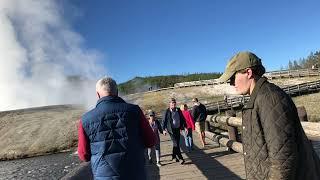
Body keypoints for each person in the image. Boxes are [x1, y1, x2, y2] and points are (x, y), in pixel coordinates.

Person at [218, 51, 320, 179]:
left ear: (248, 73)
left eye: (232, 78)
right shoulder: (258, 99)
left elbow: (282, 157)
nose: (231, 83)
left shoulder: (270, 98)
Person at [77, 77, 156, 180]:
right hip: (135, 174)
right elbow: (151, 141)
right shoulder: (135, 111)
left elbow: (83, 155)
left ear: (97, 95)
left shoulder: (85, 120)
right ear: (117, 92)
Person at [162, 98, 186, 164]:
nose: (173, 104)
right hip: (171, 130)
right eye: (172, 103)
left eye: (174, 102)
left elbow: (182, 118)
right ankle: (181, 158)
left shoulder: (178, 110)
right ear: (169, 104)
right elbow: (164, 121)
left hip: (177, 129)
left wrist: (184, 127)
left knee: (176, 143)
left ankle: (173, 156)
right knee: (176, 143)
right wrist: (163, 129)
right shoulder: (167, 111)